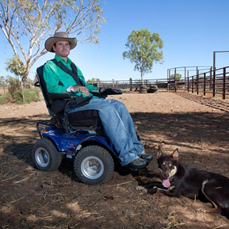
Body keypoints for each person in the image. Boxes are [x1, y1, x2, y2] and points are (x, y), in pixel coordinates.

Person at [43, 32, 153, 170]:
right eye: (60, 44)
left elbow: (85, 86)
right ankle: (127, 156)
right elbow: (52, 89)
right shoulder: (50, 66)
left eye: (67, 44)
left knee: (119, 105)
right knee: (107, 109)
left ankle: (137, 151)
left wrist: (101, 90)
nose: (64, 47)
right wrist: (72, 88)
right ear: (54, 48)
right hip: (70, 106)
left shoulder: (73, 67)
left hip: (85, 101)